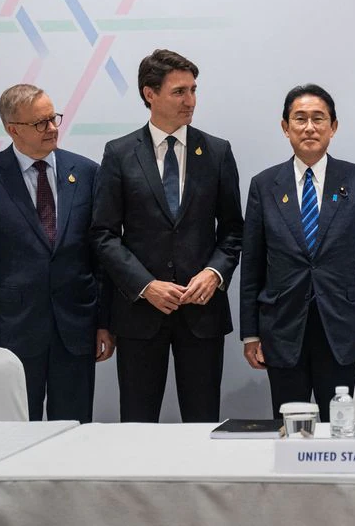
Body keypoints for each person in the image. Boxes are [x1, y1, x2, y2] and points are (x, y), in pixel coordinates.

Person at [91, 49, 243, 422]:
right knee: (138, 423)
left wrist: (214, 273)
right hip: (140, 314)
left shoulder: (218, 152)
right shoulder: (120, 153)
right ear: (150, 94)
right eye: (179, 92)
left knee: (203, 422)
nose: (190, 101)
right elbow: (103, 234)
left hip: (202, 313)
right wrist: (145, 285)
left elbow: (233, 231)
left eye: (193, 90)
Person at [0, 83, 113, 422]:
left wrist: (104, 322)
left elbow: (99, 258)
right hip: (13, 332)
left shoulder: (87, 172)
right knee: (13, 432)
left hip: (75, 328)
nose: (52, 128)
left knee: (73, 430)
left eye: (54, 118)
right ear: (13, 129)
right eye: (40, 123)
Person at [240, 84, 355, 423]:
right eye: (300, 119)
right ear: (285, 127)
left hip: (342, 330)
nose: (309, 127)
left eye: (318, 119)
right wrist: (251, 333)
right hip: (282, 329)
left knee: (341, 429)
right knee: (290, 428)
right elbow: (252, 265)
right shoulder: (264, 185)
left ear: (333, 127)